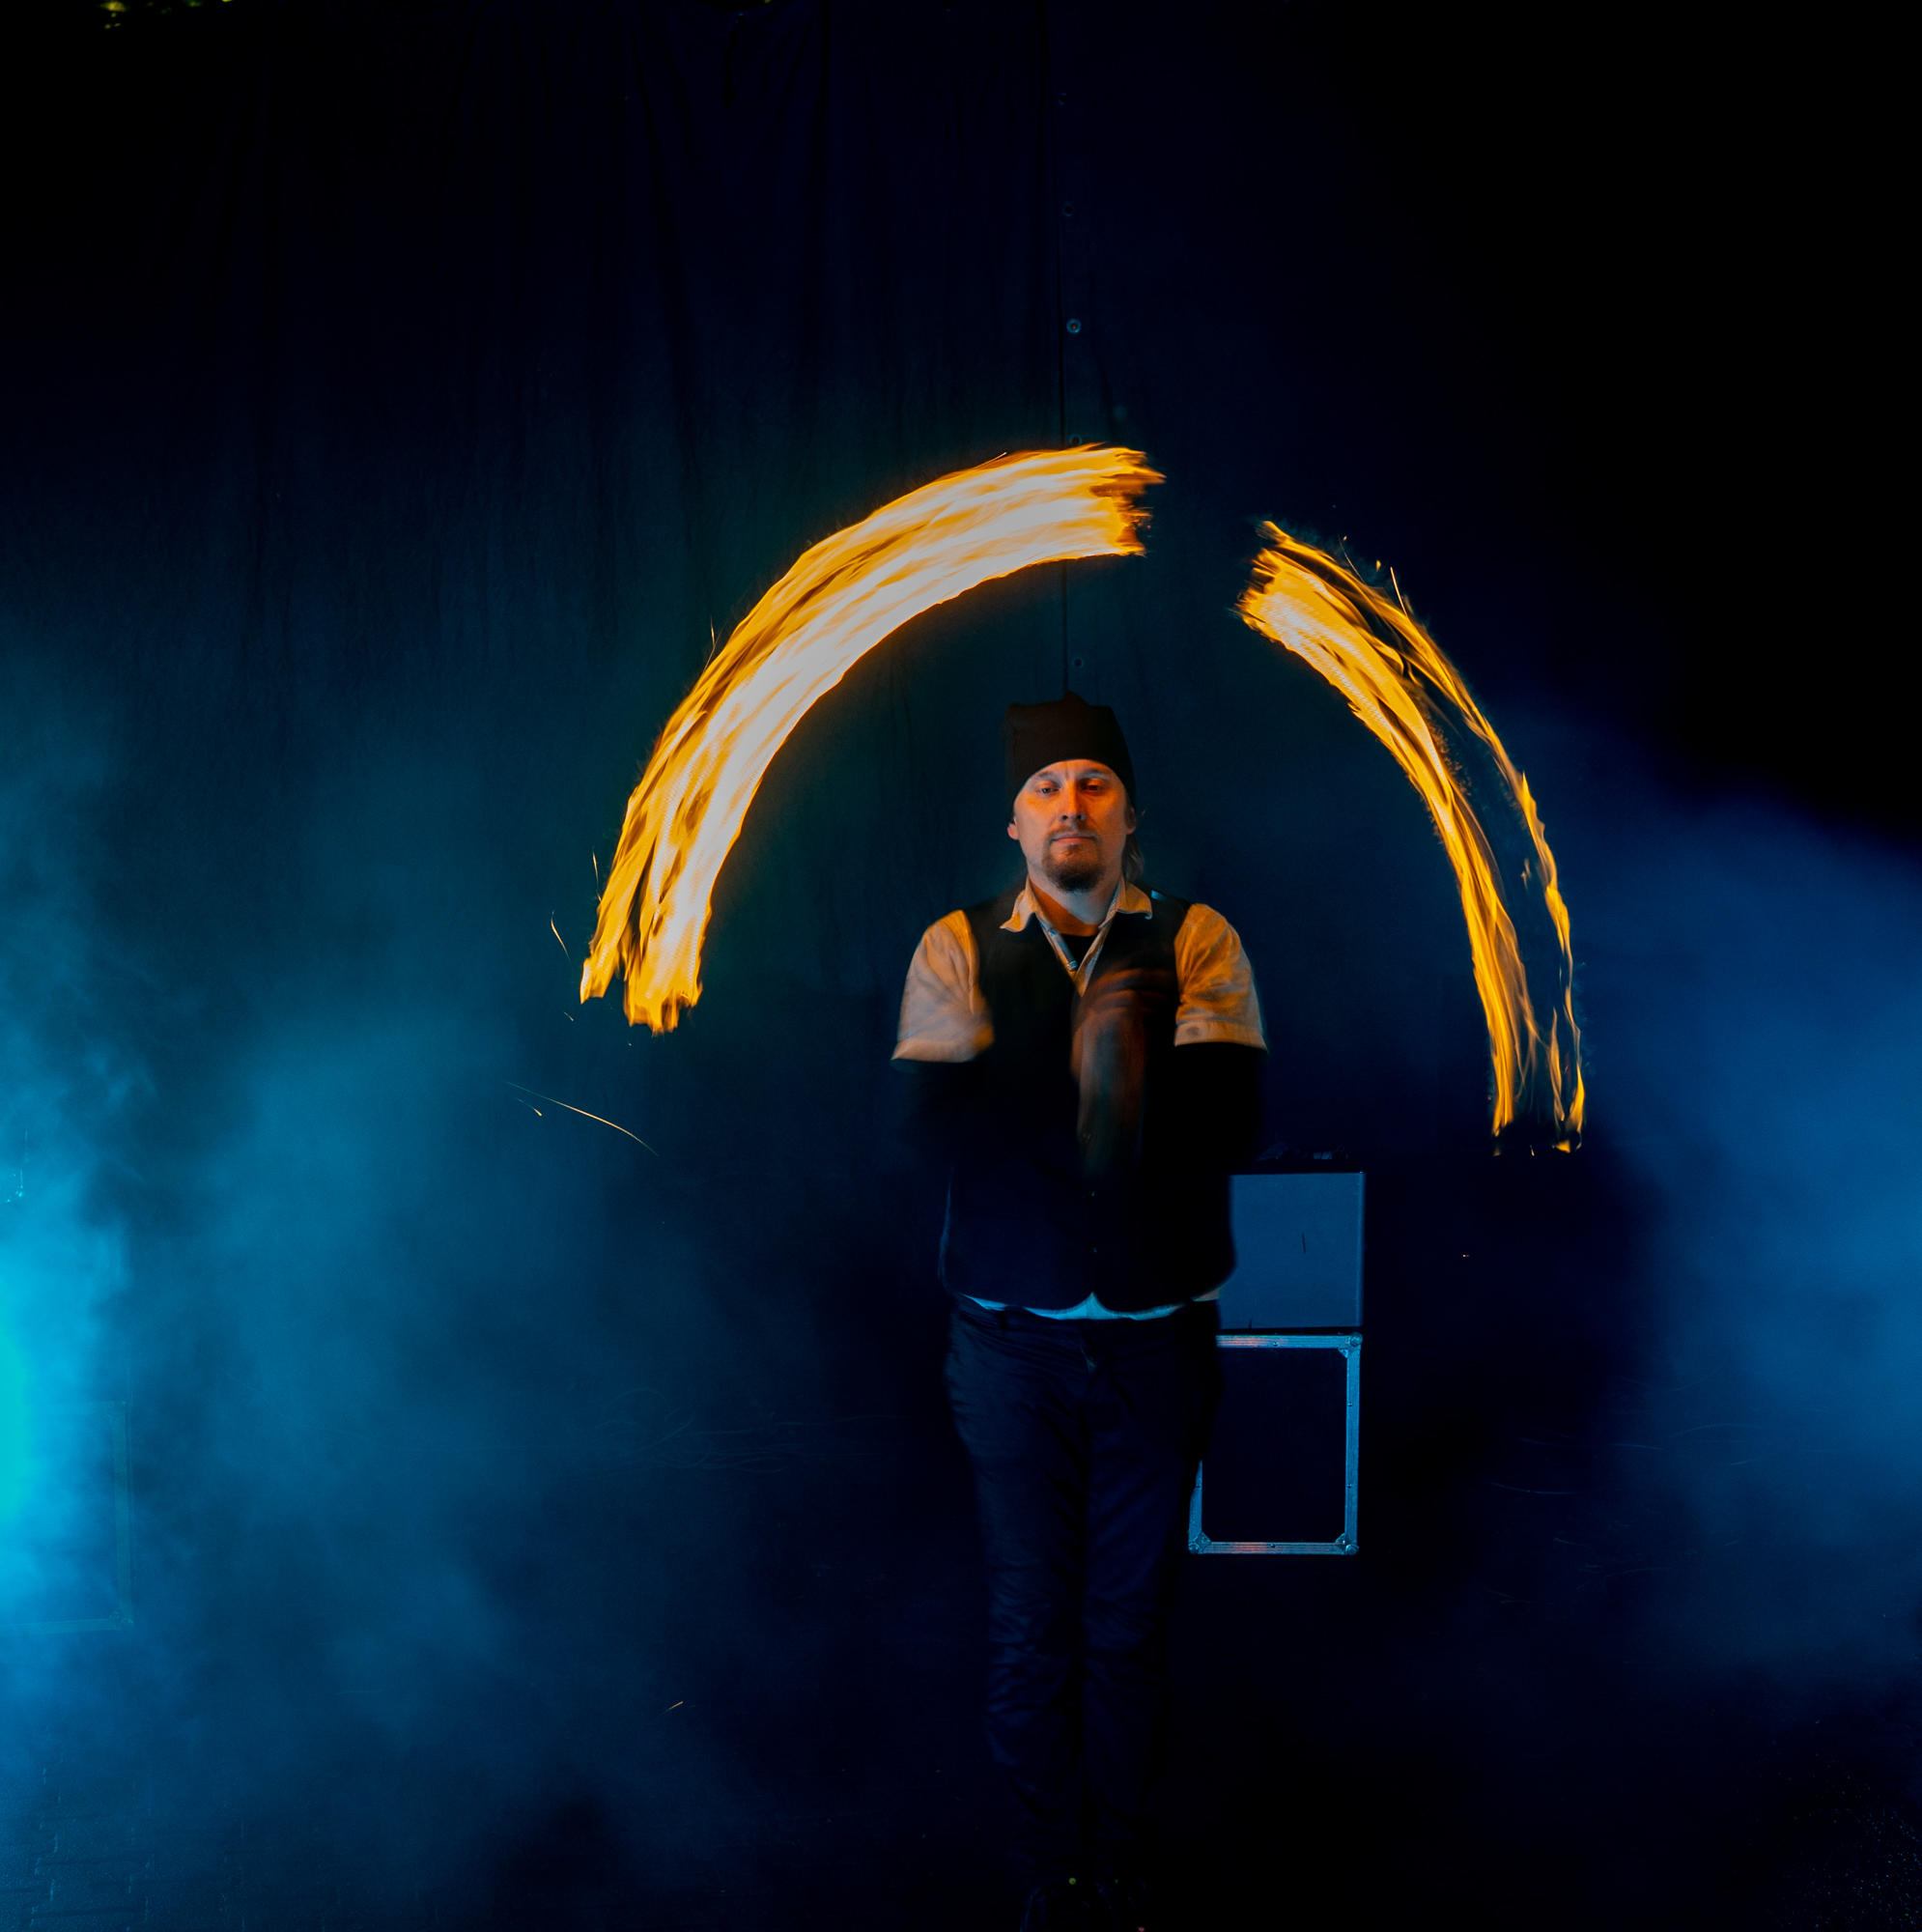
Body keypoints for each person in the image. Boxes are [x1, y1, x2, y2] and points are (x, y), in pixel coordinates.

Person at [893, 693, 1266, 1931]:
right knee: (1029, 1621)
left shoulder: (1198, 939)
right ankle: (1049, 1867)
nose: (1071, 804)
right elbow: (922, 1133)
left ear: (1129, 815)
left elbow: (1234, 1122)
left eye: (1094, 784)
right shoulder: (955, 945)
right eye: (1046, 786)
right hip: (1009, 1347)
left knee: (1129, 1622)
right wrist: (1065, 1069)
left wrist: (1135, 1077)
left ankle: (1122, 1861)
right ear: (1013, 822)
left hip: (1159, 1342)